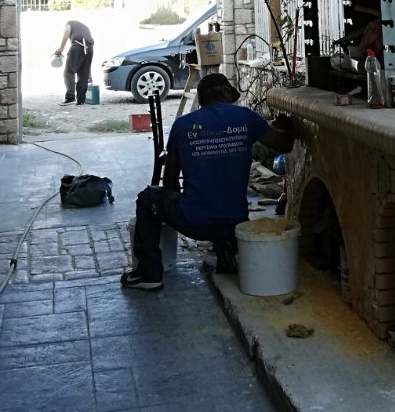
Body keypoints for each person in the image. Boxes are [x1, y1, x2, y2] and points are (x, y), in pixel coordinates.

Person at [121, 71, 297, 291]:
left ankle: (148, 274)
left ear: (202, 99)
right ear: (226, 94)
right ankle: (225, 242)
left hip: (193, 222)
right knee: (222, 196)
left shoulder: (183, 125)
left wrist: (176, 208)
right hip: (236, 223)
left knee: (148, 198)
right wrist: (284, 126)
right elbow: (284, 145)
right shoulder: (246, 117)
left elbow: (170, 181)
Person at [53, 18, 94, 107]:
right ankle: (80, 101)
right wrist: (90, 75)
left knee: (69, 71)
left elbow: (67, 31)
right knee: (83, 75)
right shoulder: (86, 27)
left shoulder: (70, 22)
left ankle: (70, 97)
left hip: (78, 45)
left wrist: (61, 48)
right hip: (90, 48)